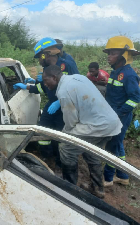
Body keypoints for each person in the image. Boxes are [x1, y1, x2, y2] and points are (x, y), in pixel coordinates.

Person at [42, 65, 122, 198]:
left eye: (46, 80)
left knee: (66, 148)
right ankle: (98, 189)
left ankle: (69, 189)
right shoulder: (77, 77)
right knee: (91, 152)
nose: (45, 84)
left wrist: (64, 136)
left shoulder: (63, 91)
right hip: (110, 122)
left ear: (54, 77)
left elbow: (70, 122)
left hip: (97, 126)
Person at [13, 37, 79, 173]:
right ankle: (47, 158)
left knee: (63, 137)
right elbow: (43, 88)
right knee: (44, 130)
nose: (39, 60)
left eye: (39, 57)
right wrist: (27, 87)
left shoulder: (67, 65)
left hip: (66, 107)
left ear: (46, 54)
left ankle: (62, 166)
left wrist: (60, 101)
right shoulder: (46, 69)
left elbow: (77, 88)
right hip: (52, 105)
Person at [103, 36, 140, 187]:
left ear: (123, 55)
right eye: (108, 53)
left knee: (112, 147)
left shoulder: (129, 75)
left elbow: (135, 98)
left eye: (112, 53)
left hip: (120, 117)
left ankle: (108, 179)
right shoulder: (115, 72)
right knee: (118, 145)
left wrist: (119, 112)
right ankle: (123, 176)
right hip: (114, 114)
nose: (109, 57)